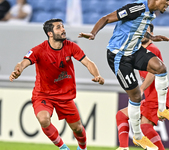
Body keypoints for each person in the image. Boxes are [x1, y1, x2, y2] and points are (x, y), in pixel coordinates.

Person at [78, 0, 169, 149]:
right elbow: (106, 18)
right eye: (167, 0)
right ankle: (138, 137)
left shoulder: (150, 13)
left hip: (133, 51)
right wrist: (93, 33)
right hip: (118, 56)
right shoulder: (136, 8)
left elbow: (134, 29)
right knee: (136, 97)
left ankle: (162, 109)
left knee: (160, 68)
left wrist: (152, 38)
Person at [9, 18, 104, 150]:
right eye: (58, 27)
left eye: (62, 26)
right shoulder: (38, 50)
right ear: (50, 33)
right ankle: (63, 148)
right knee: (43, 119)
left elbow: (88, 62)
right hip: (43, 94)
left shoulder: (71, 46)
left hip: (64, 95)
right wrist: (17, 70)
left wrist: (97, 75)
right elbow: (23, 62)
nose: (63, 29)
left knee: (77, 129)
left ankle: (82, 148)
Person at [116, 24, 169, 150]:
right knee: (121, 115)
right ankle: (123, 147)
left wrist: (141, 89)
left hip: (157, 96)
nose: (143, 33)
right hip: (150, 97)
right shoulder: (139, 52)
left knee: (145, 127)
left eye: (146, 31)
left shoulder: (152, 49)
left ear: (151, 33)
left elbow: (154, 72)